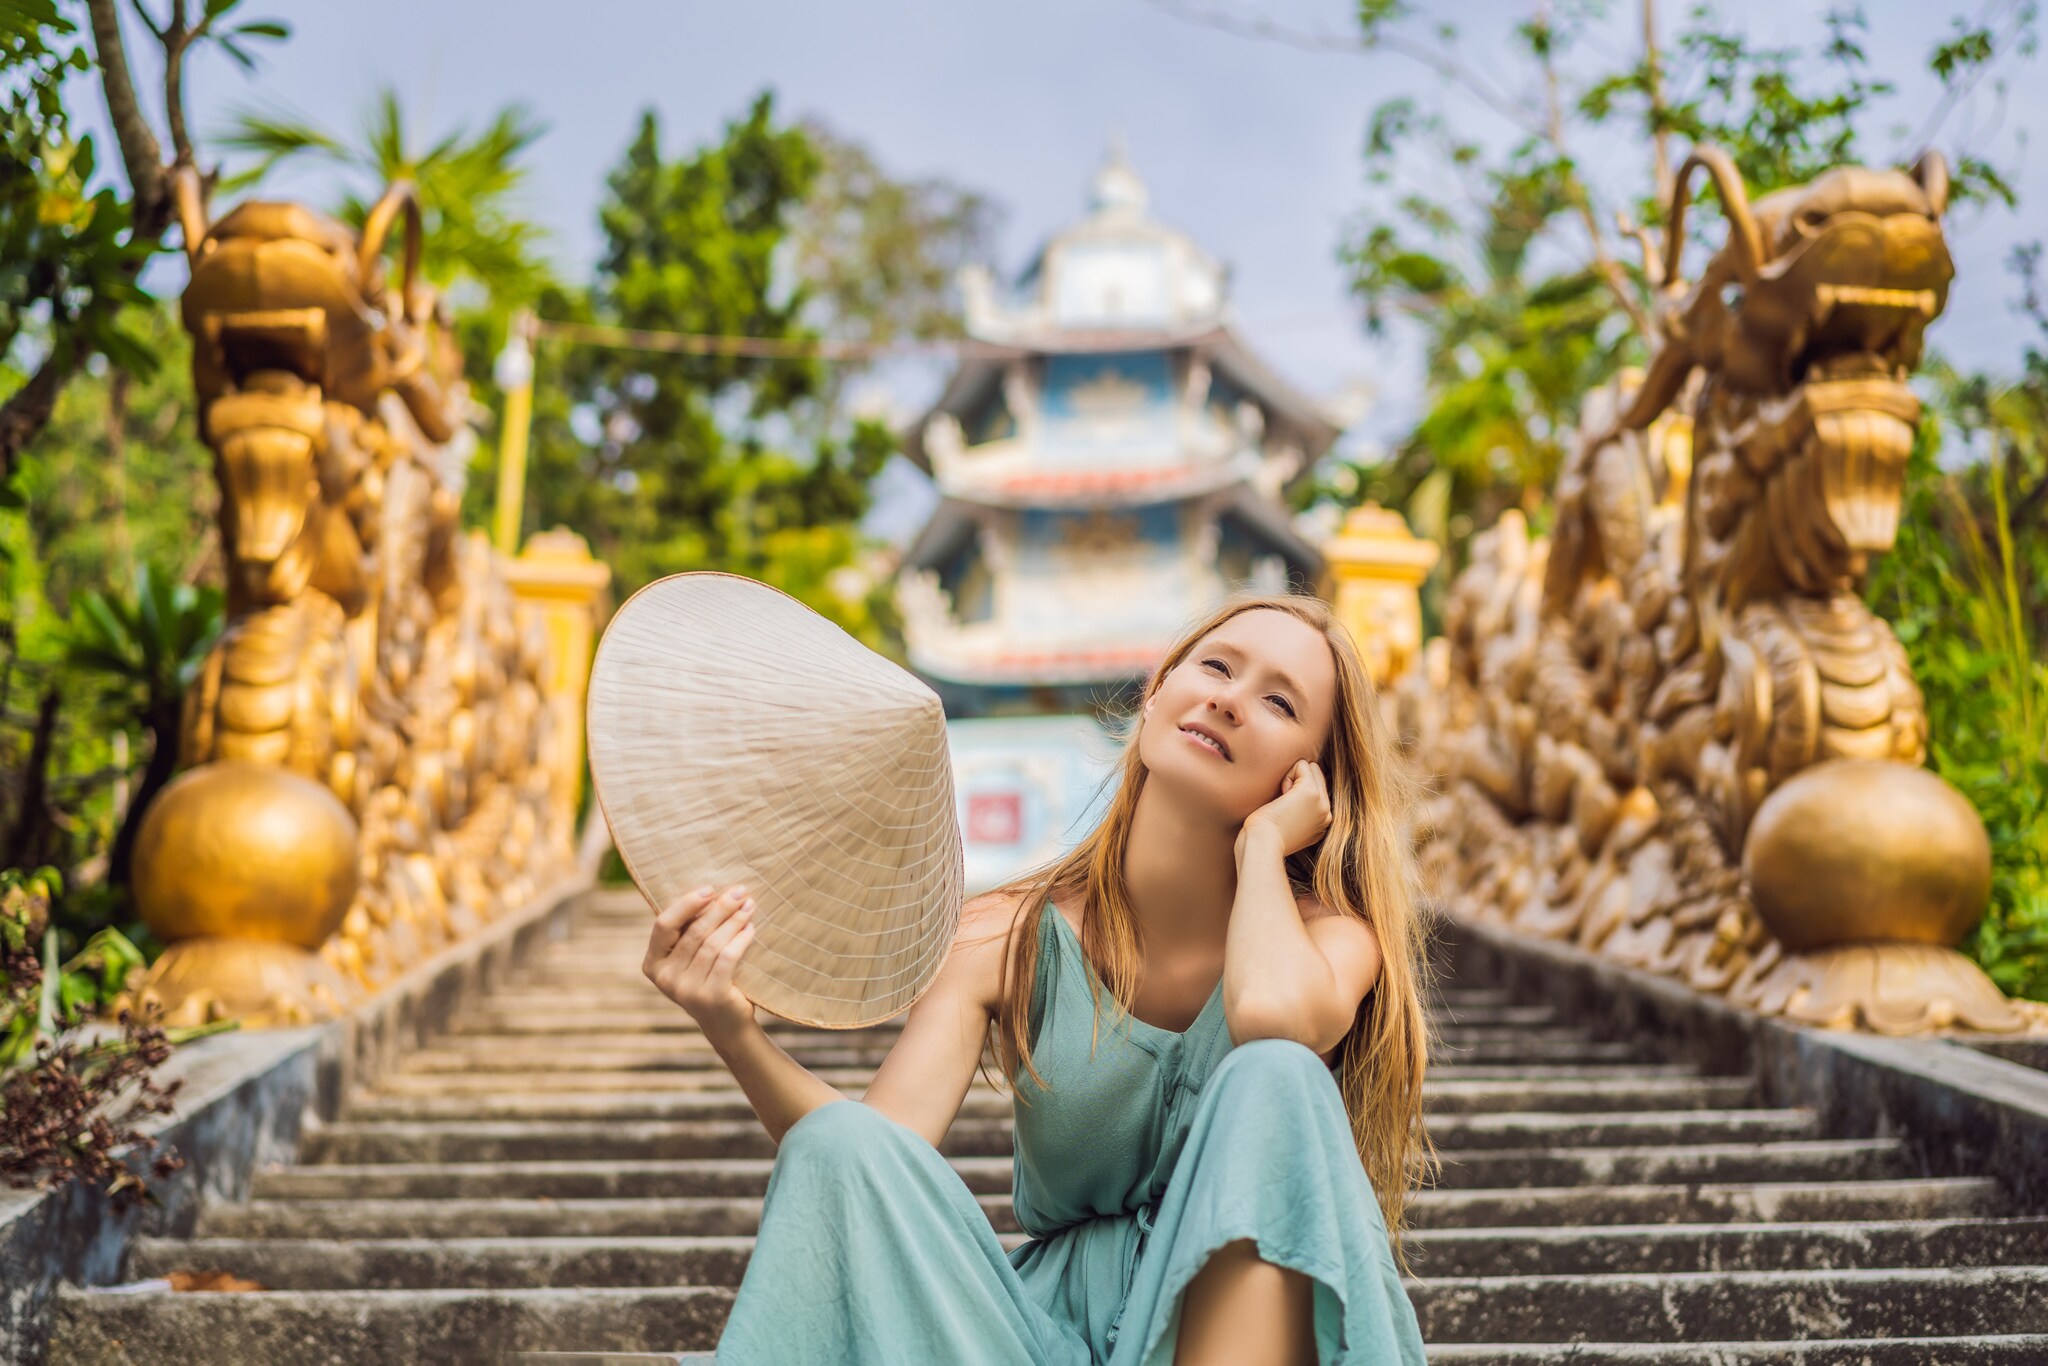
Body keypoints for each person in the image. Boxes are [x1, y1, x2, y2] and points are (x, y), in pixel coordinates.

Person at [643, 593, 1433, 1365]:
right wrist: (731, 1028)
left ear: (1311, 781)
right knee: (838, 1139)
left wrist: (1263, 844)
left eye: (1279, 703)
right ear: (1158, 691)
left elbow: (1270, 1015)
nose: (1229, 701)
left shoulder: (1331, 937)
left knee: (1276, 1074)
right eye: (1217, 667)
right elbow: (872, 1167)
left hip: (1239, 1323)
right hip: (1033, 1336)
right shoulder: (1005, 933)